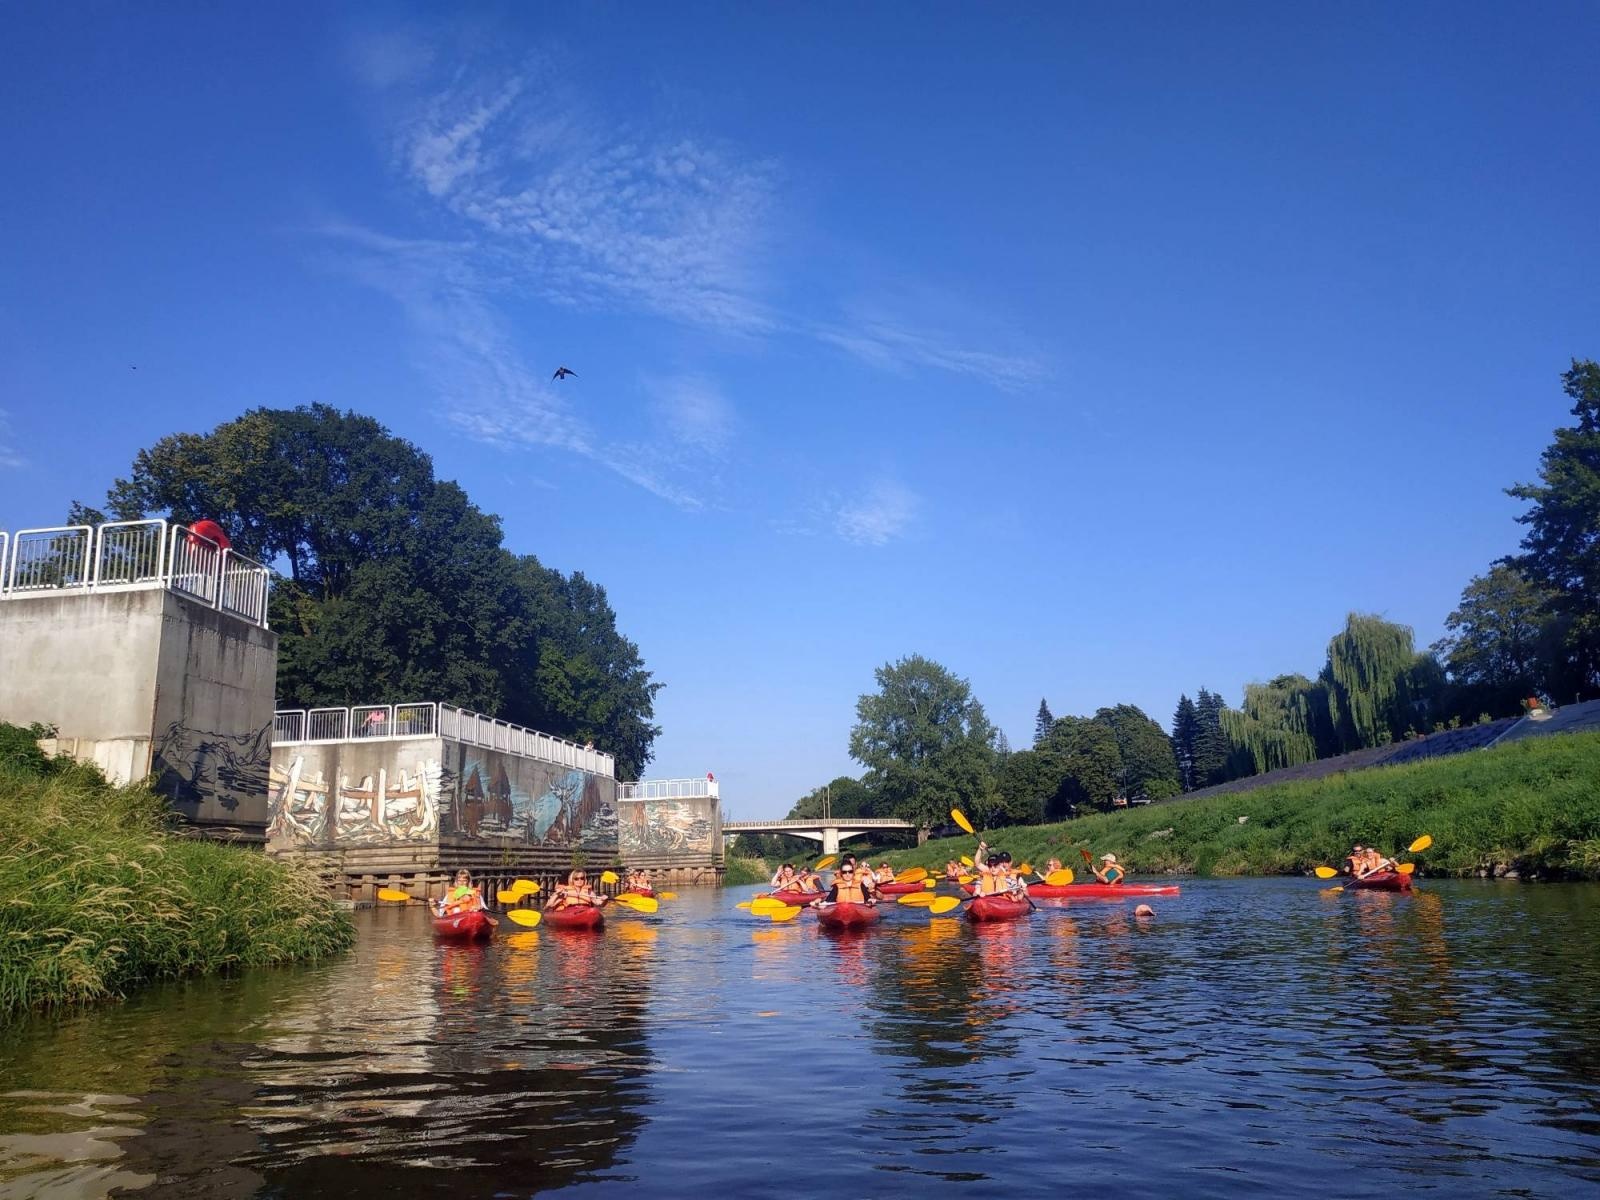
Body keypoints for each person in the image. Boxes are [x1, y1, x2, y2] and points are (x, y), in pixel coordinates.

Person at [811, 861, 876, 908]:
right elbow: (827, 903)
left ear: (853, 872)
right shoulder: (837, 886)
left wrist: (871, 900)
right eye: (844, 872)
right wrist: (817, 904)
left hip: (859, 909)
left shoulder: (860, 885)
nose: (847, 874)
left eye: (850, 872)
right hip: (842, 911)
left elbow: (868, 898)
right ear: (841, 874)